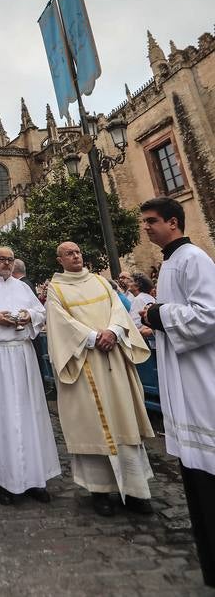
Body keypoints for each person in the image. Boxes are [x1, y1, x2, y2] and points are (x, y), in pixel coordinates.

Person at [46, 241, 155, 517]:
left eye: (78, 252)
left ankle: (136, 490)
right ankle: (100, 491)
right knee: (94, 428)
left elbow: (119, 311)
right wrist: (94, 337)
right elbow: (61, 325)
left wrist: (114, 331)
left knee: (124, 421)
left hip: (114, 360)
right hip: (85, 365)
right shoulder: (56, 290)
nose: (76, 256)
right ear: (60, 260)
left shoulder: (101, 282)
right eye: (69, 254)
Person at [140, 197, 215, 589]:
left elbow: (210, 315)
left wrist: (157, 315)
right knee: (195, 475)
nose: (146, 227)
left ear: (173, 222)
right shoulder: (170, 262)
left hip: (201, 380)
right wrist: (160, 316)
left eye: (152, 221)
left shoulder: (193, 259)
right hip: (184, 379)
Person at [0, 247, 60, 505]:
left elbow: (40, 312)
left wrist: (29, 316)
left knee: (31, 415)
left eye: (9, 260)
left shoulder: (22, 287)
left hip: (23, 357)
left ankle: (36, 480)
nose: (5, 263)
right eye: (1, 259)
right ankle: (6, 482)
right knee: (2, 417)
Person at [128, 272, 155, 336]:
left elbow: (136, 323)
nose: (128, 283)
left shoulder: (138, 299)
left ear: (137, 285)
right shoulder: (148, 297)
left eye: (131, 281)